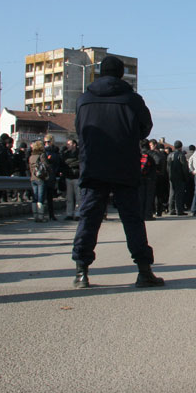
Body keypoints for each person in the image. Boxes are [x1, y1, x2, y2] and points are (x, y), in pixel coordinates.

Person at [69, 56, 164, 288]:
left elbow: (79, 129)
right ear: (122, 74)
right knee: (132, 220)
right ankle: (144, 271)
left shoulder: (83, 100)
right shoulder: (132, 100)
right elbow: (145, 128)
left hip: (93, 166)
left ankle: (81, 272)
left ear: (99, 73)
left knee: (89, 219)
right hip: (124, 166)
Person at [167, 140, 190, 215]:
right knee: (179, 194)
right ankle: (179, 210)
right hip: (180, 177)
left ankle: (171, 209)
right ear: (181, 147)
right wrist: (186, 177)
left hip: (171, 177)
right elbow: (184, 167)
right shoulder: (181, 155)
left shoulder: (170, 155)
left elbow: (167, 167)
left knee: (172, 193)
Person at [28, 140, 48, 222]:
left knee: (35, 197)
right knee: (40, 197)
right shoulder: (41, 155)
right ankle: (41, 216)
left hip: (33, 178)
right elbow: (46, 166)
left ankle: (35, 215)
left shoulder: (31, 157)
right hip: (40, 178)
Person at [62, 138, 80, 220]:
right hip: (68, 177)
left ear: (74, 144)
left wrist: (70, 163)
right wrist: (72, 163)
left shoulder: (79, 153)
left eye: (69, 144)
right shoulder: (66, 153)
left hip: (77, 176)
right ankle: (69, 213)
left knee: (78, 196)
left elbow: (80, 162)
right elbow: (64, 163)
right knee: (69, 197)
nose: (67, 146)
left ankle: (77, 213)